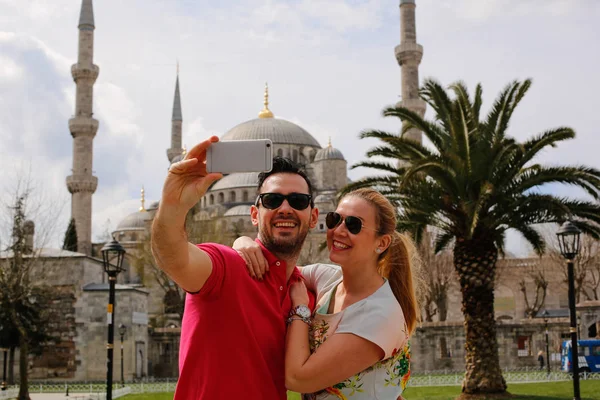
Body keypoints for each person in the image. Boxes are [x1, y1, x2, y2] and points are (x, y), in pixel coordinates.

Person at [151, 136, 318, 399]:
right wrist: (173, 205)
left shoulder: (304, 294)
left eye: (297, 201)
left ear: (314, 217)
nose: (285, 208)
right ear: (254, 214)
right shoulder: (226, 266)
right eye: (273, 200)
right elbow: (173, 258)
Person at [234, 188, 419, 399]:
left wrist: (300, 309)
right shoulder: (328, 278)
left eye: (353, 225)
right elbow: (277, 272)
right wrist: (244, 244)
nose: (338, 231)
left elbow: (298, 378)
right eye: (335, 219)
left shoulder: (379, 314)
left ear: (382, 243)